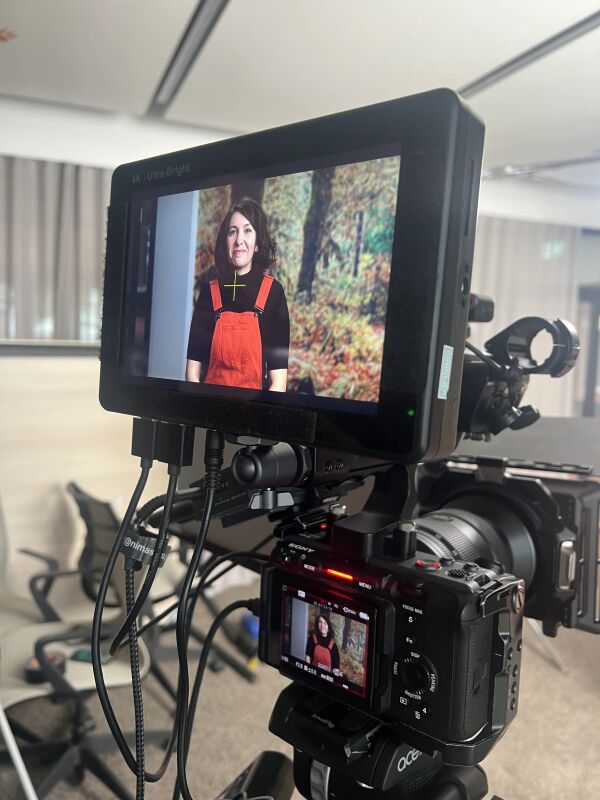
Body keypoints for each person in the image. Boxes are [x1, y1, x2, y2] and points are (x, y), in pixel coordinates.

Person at [186, 197, 290, 391]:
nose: (239, 240)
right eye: (232, 232)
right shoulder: (209, 293)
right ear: (225, 242)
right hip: (209, 413)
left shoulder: (274, 294)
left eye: (247, 231)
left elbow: (278, 382)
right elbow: (192, 373)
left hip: (254, 416)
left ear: (257, 243)